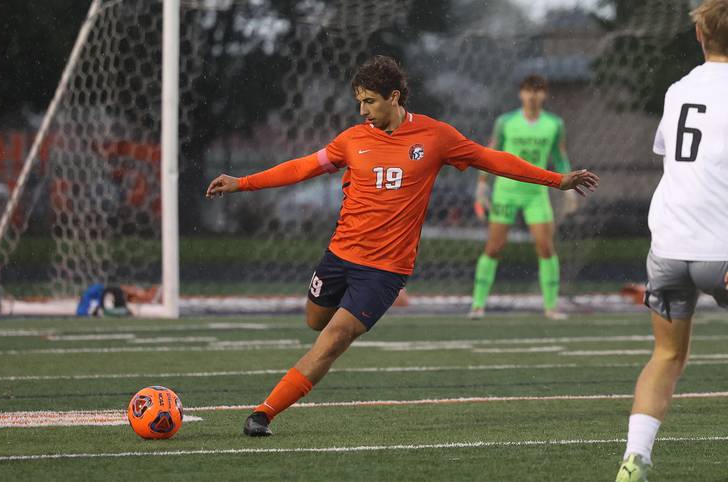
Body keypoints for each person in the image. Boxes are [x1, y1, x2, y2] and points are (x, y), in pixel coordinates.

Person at [206, 55, 599, 437]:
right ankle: (285, 387)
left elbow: (491, 159)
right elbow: (304, 166)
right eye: (359, 101)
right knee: (315, 321)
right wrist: (243, 182)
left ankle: (263, 413)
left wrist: (556, 180)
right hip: (339, 255)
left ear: (394, 97)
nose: (362, 110)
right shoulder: (352, 140)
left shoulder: (436, 136)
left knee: (334, 338)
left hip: (385, 271)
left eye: (370, 101)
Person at [615, 0, 728, 482]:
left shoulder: (679, 89)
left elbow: (674, 155)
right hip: (720, 248)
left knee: (666, 357)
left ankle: (634, 458)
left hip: (668, 246)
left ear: (701, 36)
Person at [470, 75, 578, 320]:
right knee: (494, 247)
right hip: (506, 192)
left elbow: (559, 157)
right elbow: (491, 153)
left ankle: (551, 307)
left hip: (536, 193)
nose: (533, 96)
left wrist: (569, 188)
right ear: (521, 94)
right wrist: (481, 186)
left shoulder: (554, 124)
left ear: (544, 95)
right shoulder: (506, 122)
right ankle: (477, 305)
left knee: (546, 248)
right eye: (528, 91)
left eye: (538, 91)